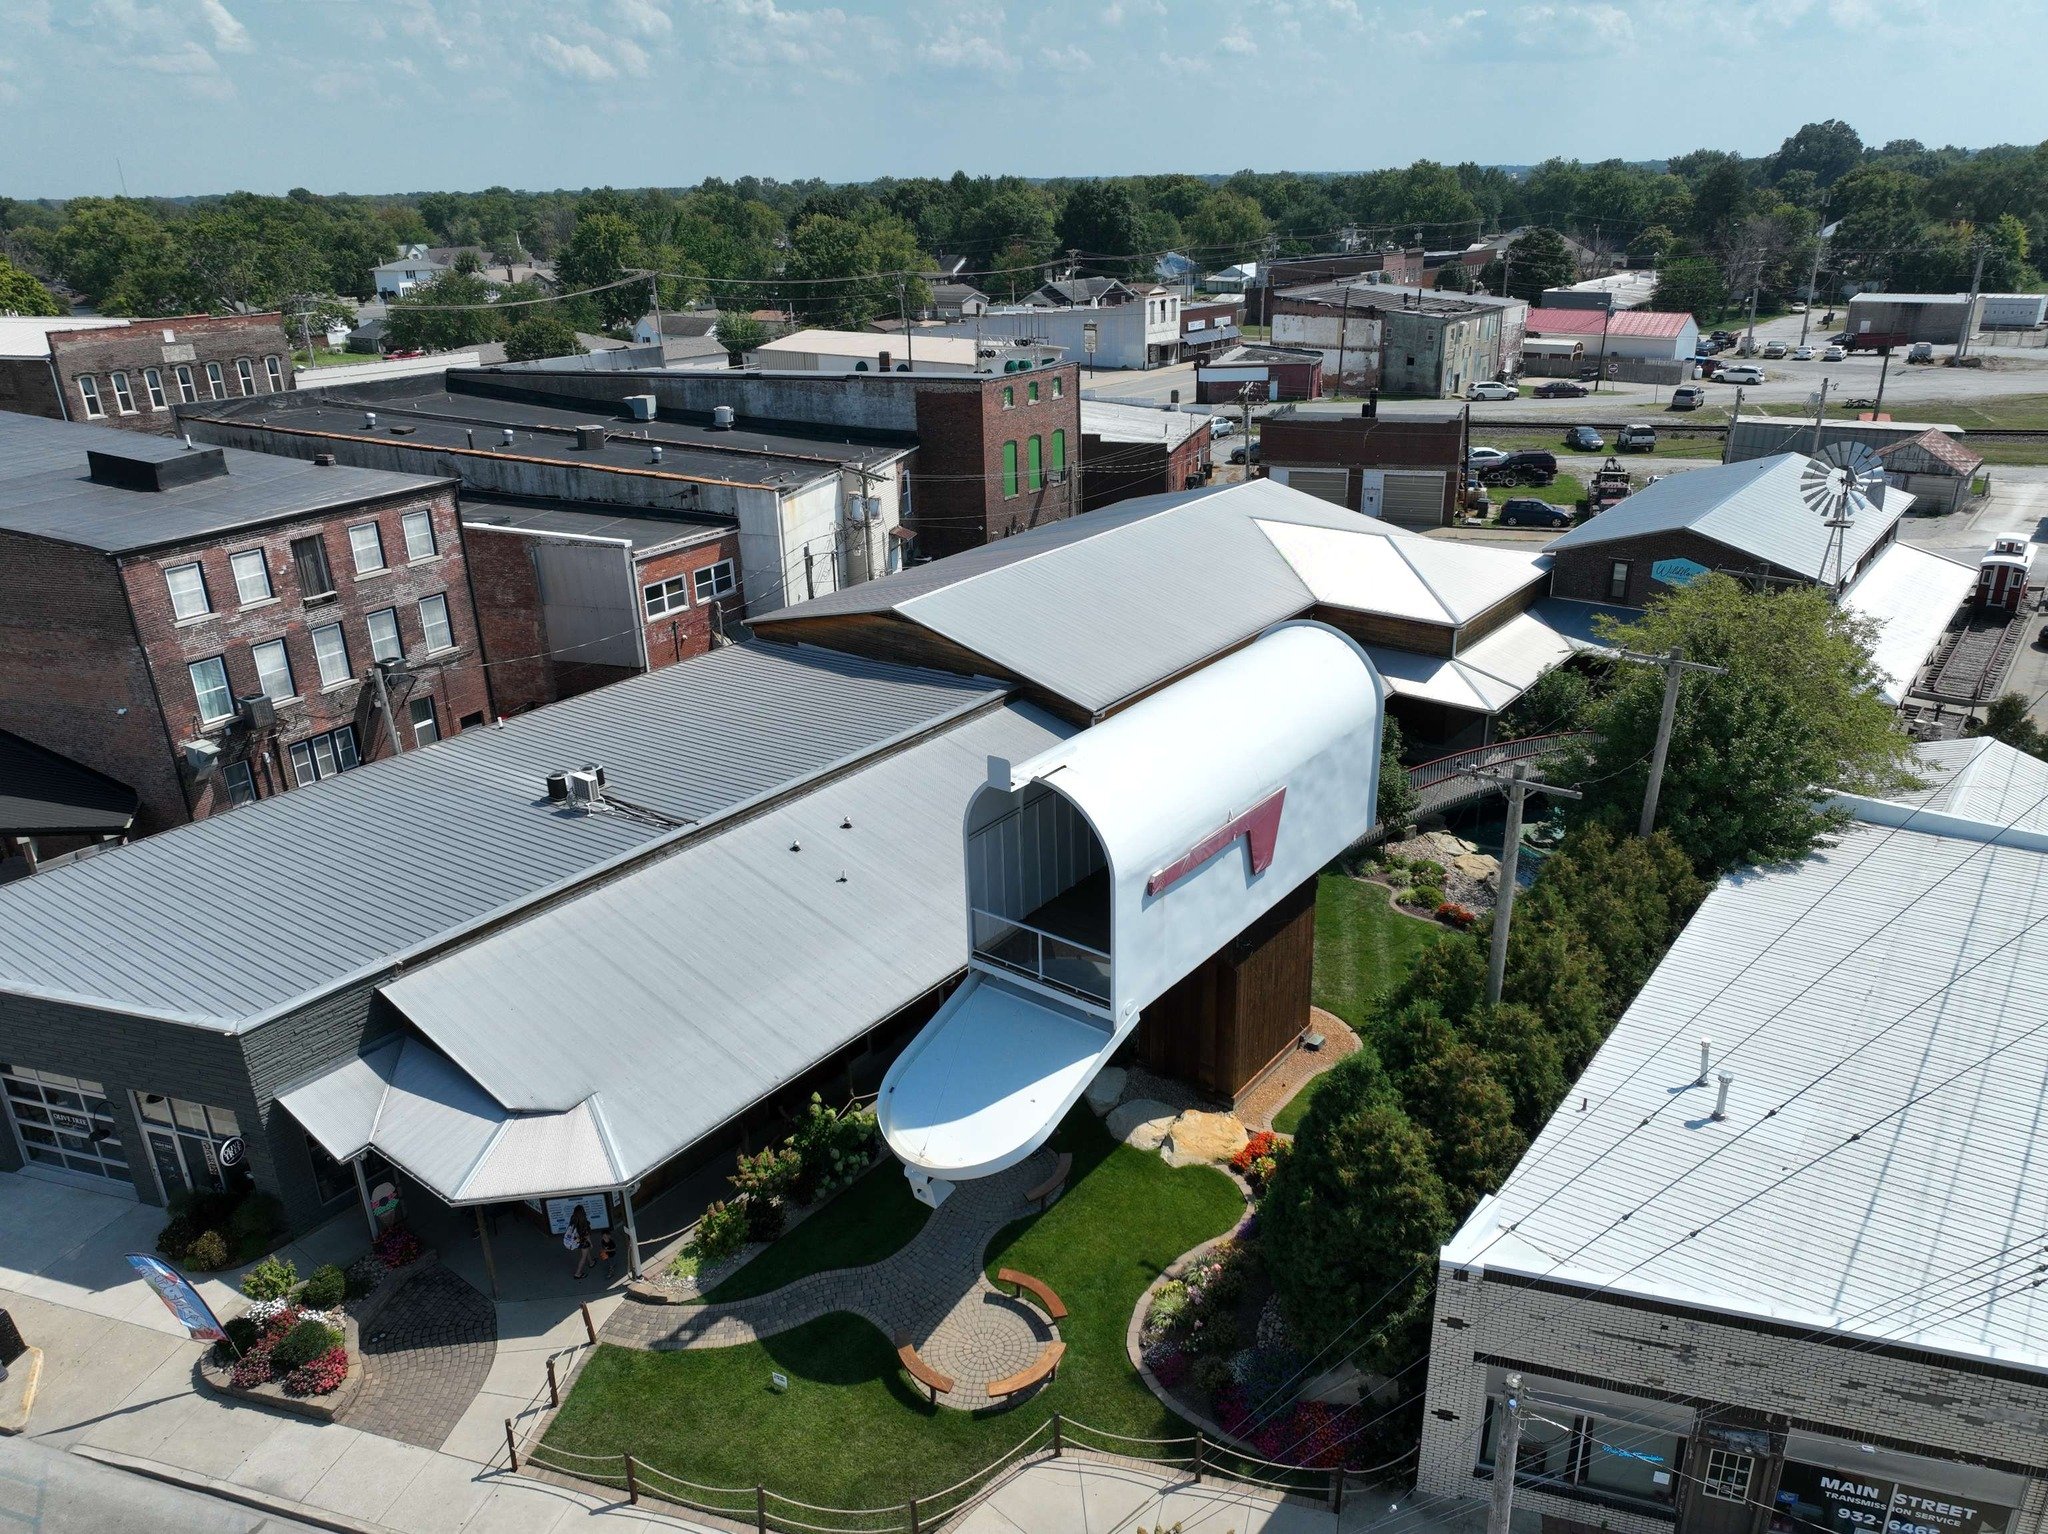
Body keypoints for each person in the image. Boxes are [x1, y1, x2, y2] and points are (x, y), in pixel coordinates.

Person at [566, 1204, 593, 1280]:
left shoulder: (573, 1218)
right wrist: (591, 1243)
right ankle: (578, 1273)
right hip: (582, 1241)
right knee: (583, 1257)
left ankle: (591, 1262)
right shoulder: (584, 1222)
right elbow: (587, 1235)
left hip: (575, 1240)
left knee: (586, 1250)